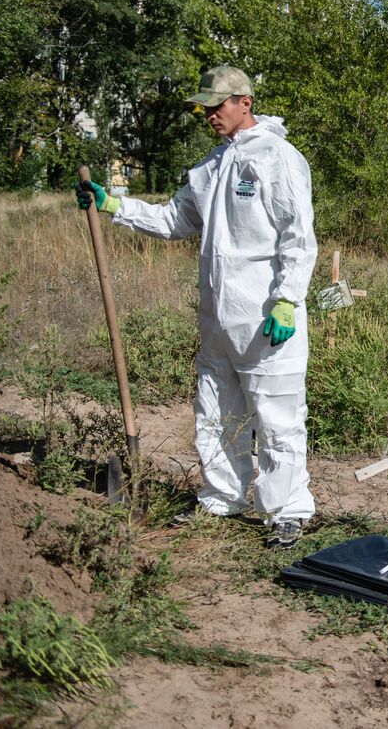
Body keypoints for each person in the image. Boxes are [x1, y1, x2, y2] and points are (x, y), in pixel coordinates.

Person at [76, 65, 318, 547]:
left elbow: (299, 238)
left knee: (276, 418)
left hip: (268, 321)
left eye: (217, 105)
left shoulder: (278, 158)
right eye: (204, 107)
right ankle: (221, 498)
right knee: (215, 413)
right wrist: (115, 207)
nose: (208, 114)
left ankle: (287, 510)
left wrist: (288, 300)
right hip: (217, 321)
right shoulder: (210, 167)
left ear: (244, 102)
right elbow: (174, 219)